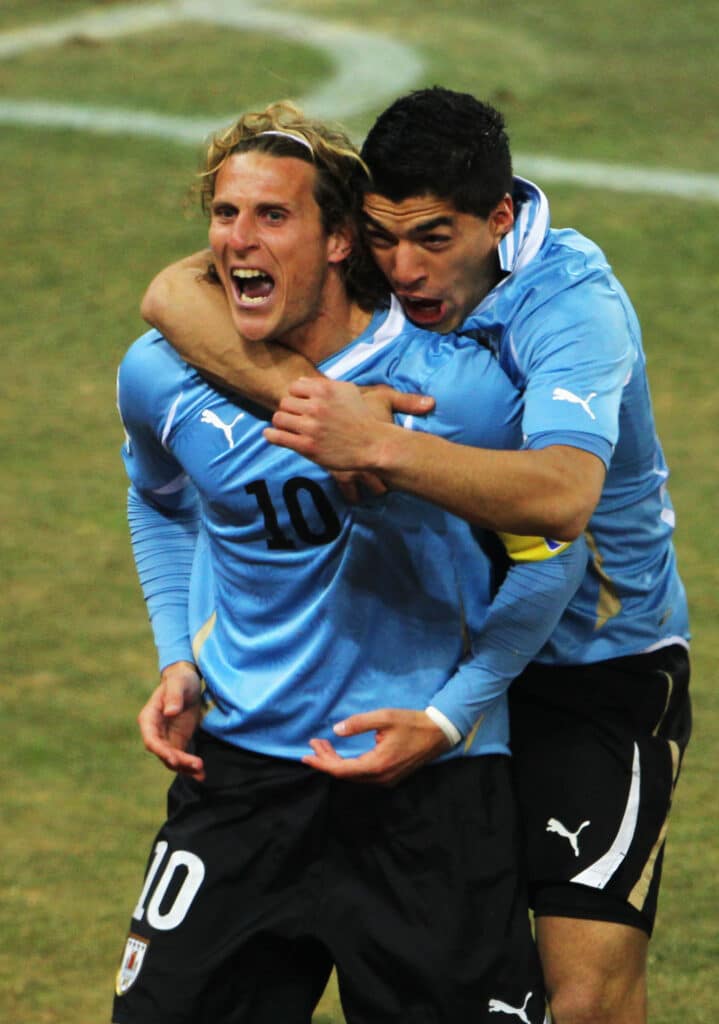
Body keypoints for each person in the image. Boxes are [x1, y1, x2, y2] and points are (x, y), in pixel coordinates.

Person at [140, 89, 692, 1024]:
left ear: (500, 219)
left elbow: (559, 501)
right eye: (386, 239)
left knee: (585, 998)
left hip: (590, 666)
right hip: (438, 655)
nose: (405, 270)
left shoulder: (570, 304)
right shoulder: (381, 303)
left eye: (435, 240)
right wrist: (316, 401)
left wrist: (375, 443)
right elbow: (170, 295)